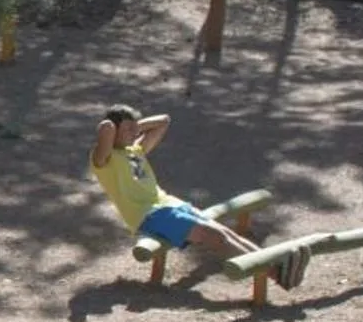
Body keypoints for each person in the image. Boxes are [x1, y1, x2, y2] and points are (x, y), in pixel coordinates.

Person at [89, 105, 311, 290]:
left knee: (226, 233)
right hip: (149, 216)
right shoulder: (103, 159)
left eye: (134, 128)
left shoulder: (135, 150)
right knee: (215, 238)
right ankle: (277, 274)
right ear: (115, 131)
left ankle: (277, 264)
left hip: (169, 204)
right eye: (127, 129)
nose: (133, 132)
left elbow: (164, 121)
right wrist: (118, 126)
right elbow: (106, 127)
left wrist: (135, 126)